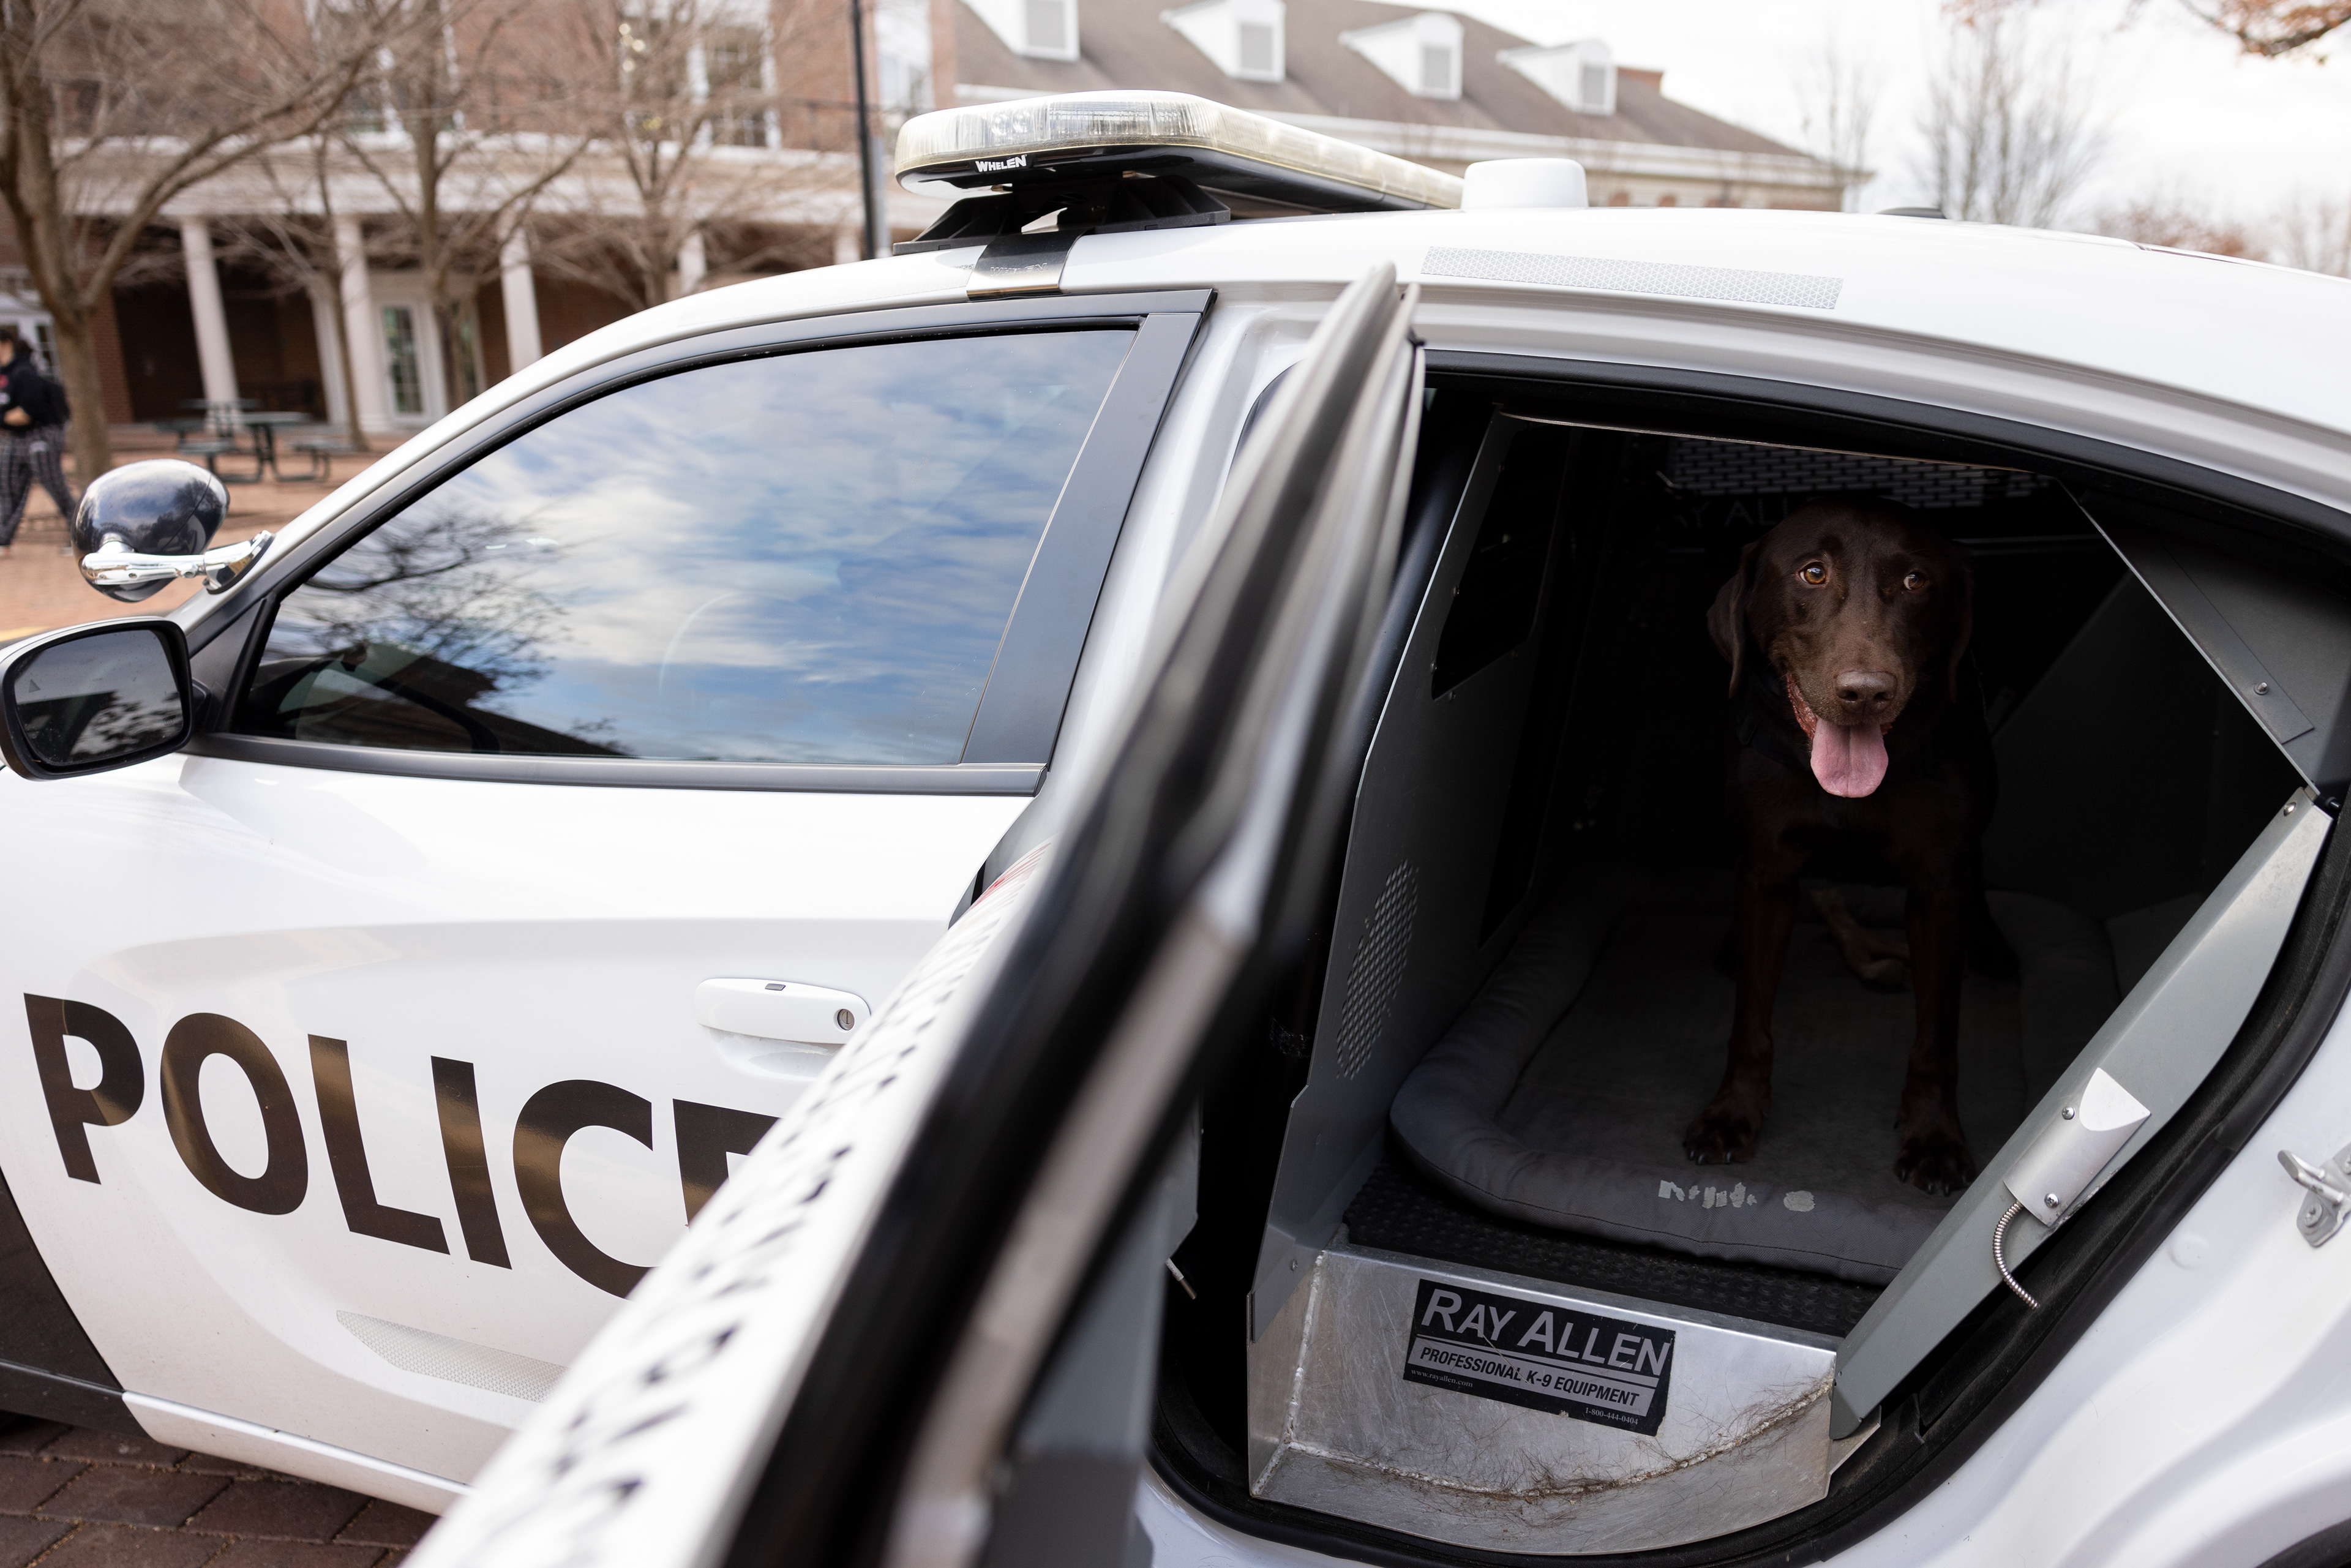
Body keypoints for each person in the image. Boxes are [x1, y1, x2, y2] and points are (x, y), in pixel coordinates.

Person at [0, 324, 73, 558]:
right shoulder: (4, 376)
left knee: (55, 485)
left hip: (42, 435)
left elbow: (25, 414)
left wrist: (5, 417)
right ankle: (3, 542)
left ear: (6, 344)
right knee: (7, 487)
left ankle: (82, 535)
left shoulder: (24, 373)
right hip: (16, 438)